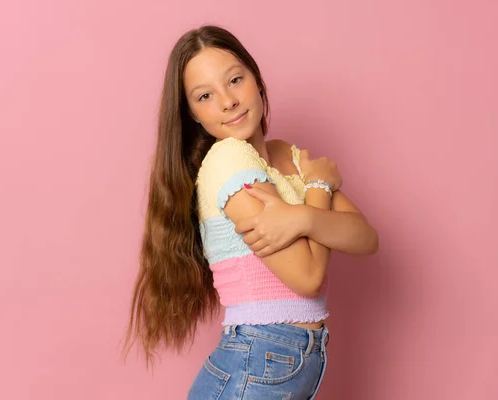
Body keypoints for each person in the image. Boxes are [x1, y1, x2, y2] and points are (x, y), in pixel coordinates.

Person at [123, 25, 379, 399]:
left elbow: (365, 237)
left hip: (277, 361)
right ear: (192, 113)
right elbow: (307, 277)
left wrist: (303, 217)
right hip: (257, 362)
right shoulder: (229, 160)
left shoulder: (284, 154)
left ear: (257, 80)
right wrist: (318, 190)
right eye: (205, 95)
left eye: (235, 80)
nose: (227, 101)